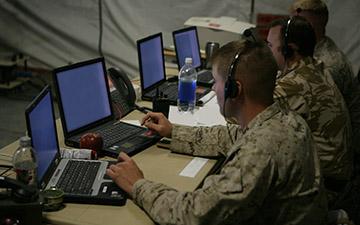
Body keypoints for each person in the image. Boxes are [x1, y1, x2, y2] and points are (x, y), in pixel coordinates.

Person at [106, 37, 327, 224]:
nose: (213, 88)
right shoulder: (284, 119)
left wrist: (137, 184)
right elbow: (229, 136)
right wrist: (173, 131)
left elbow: (194, 214)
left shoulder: (260, 151)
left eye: (217, 82)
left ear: (234, 89)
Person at [267, 16, 352, 203]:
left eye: (270, 46)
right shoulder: (315, 67)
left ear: (290, 50)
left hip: (323, 188)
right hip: (336, 178)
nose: (267, 52)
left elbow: (249, 115)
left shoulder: (296, 85)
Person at [290, 0, 360, 172]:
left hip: (334, 163)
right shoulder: (313, 52)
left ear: (319, 25)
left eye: (303, 25)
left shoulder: (328, 63)